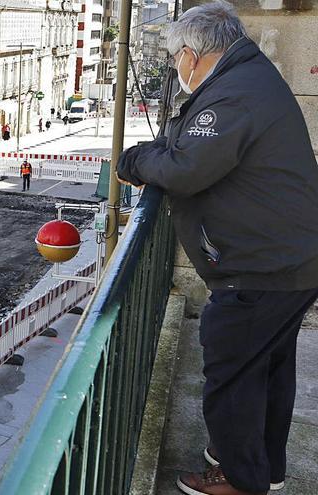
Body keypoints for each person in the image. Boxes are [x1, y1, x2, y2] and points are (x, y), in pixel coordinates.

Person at [115, 3, 318, 494]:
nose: (177, 69)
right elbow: (187, 147)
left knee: (231, 370)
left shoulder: (233, 96)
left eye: (176, 60)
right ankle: (260, 463)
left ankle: (238, 476)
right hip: (287, 260)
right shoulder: (245, 78)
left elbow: (185, 169)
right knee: (266, 369)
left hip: (261, 266)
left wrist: (134, 161)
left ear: (191, 53)